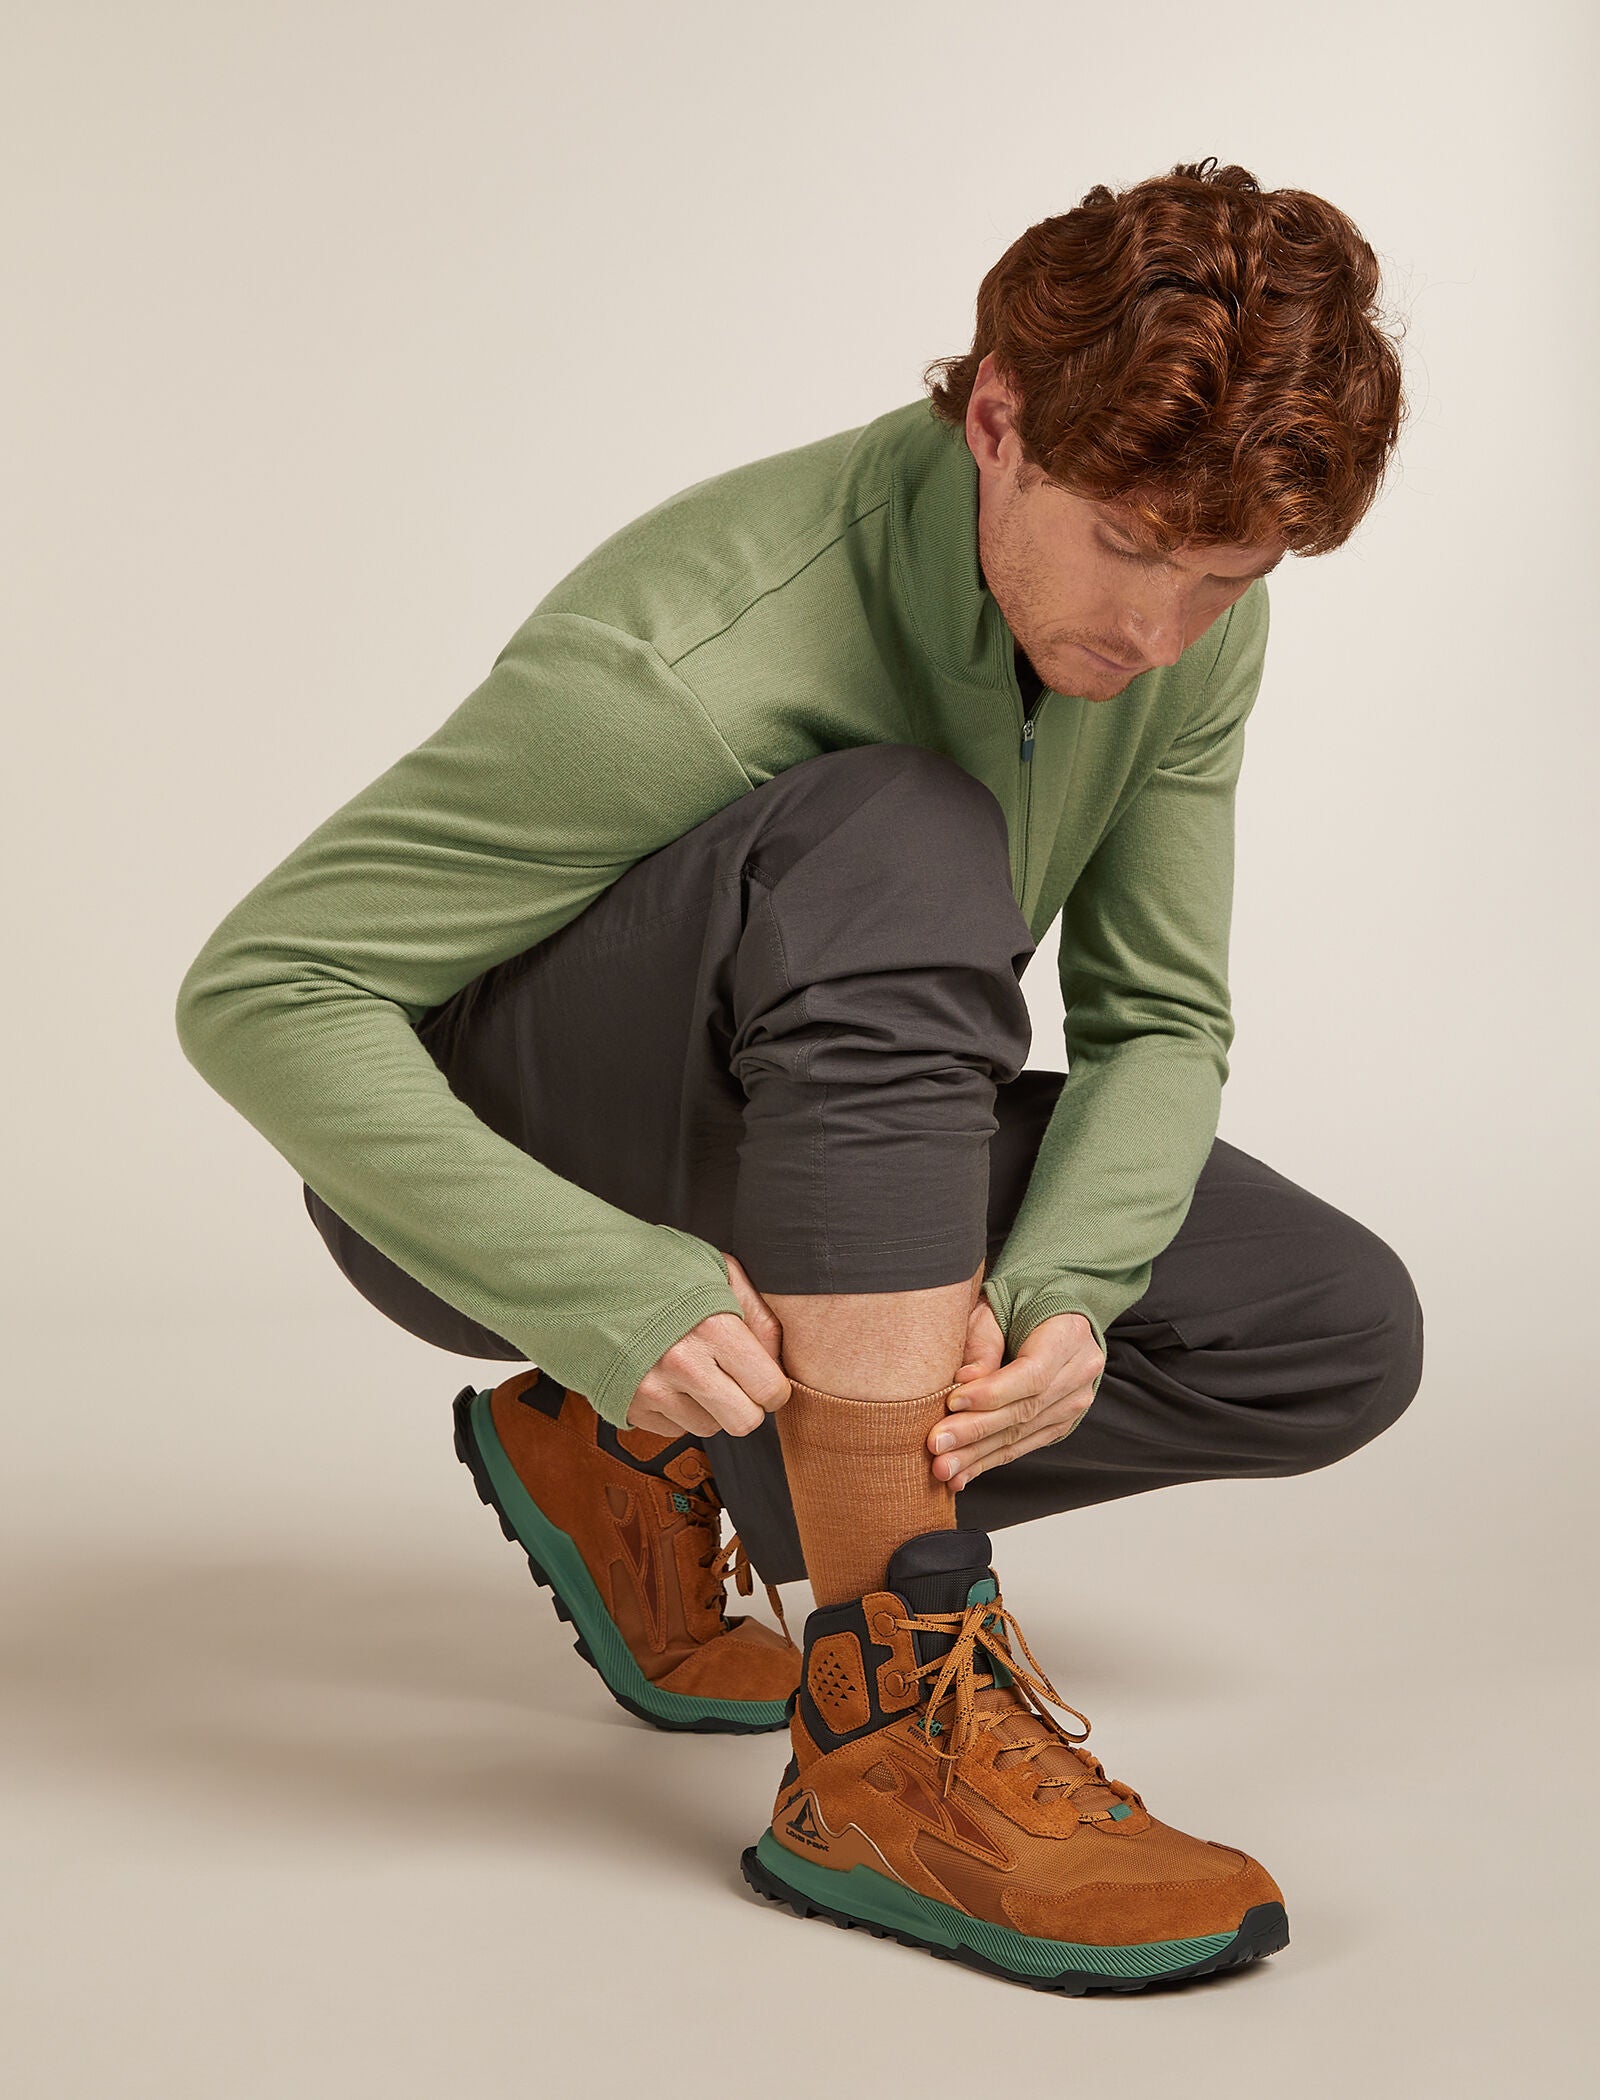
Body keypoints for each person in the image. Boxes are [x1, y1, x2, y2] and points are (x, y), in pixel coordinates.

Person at [174, 156, 1423, 1994]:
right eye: (1130, 545)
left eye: (1225, 579)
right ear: (998, 420)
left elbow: (1161, 1019)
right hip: (517, 1160)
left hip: (836, 1137)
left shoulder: (1185, 630)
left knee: (1328, 1327)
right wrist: (603, 1289)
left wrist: (1070, 1290)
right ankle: (889, 1735)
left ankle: (653, 1456)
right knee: (902, 835)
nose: (1158, 632)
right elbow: (269, 989)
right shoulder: (702, 652)